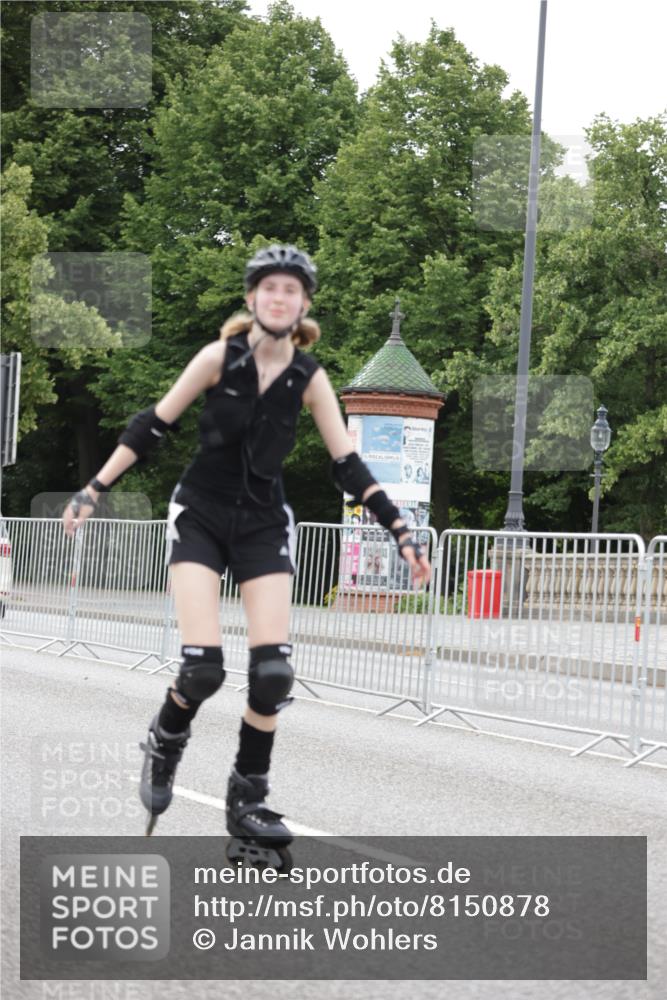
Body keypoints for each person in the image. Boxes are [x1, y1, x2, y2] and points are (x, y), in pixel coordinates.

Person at [62, 244, 431, 857]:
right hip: (201, 516)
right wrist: (94, 488)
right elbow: (151, 426)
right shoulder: (217, 358)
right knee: (203, 667)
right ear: (252, 298)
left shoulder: (309, 378)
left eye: (292, 289)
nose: (280, 298)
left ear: (304, 303)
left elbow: (347, 463)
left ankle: (248, 799)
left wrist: (400, 530)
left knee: (272, 675)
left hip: (262, 522)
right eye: (269, 288)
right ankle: (166, 737)